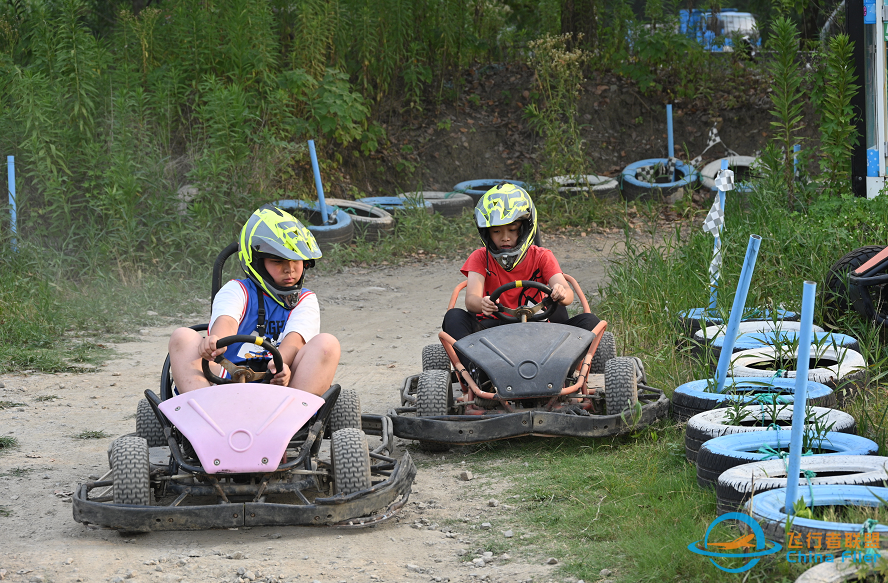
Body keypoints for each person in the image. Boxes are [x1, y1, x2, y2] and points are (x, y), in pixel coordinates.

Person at [168, 204, 340, 396]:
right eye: (278, 261)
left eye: (296, 261)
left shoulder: (305, 299)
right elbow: (226, 321)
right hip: (225, 381)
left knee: (327, 344)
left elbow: (295, 340)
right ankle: (201, 411)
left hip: (278, 385)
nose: (289, 269)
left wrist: (280, 366)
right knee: (182, 337)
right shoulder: (237, 290)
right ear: (257, 261)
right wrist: (216, 342)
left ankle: (295, 420)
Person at [442, 183, 600, 344]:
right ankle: (474, 367)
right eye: (496, 231)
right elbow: (471, 300)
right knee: (453, 317)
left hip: (540, 330)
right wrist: (482, 303)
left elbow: (568, 294)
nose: (505, 237)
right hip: (492, 335)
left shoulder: (542, 256)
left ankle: (564, 363)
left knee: (591, 321)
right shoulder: (481, 257)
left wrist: (561, 292)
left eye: (512, 230)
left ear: (524, 229)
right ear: (487, 233)